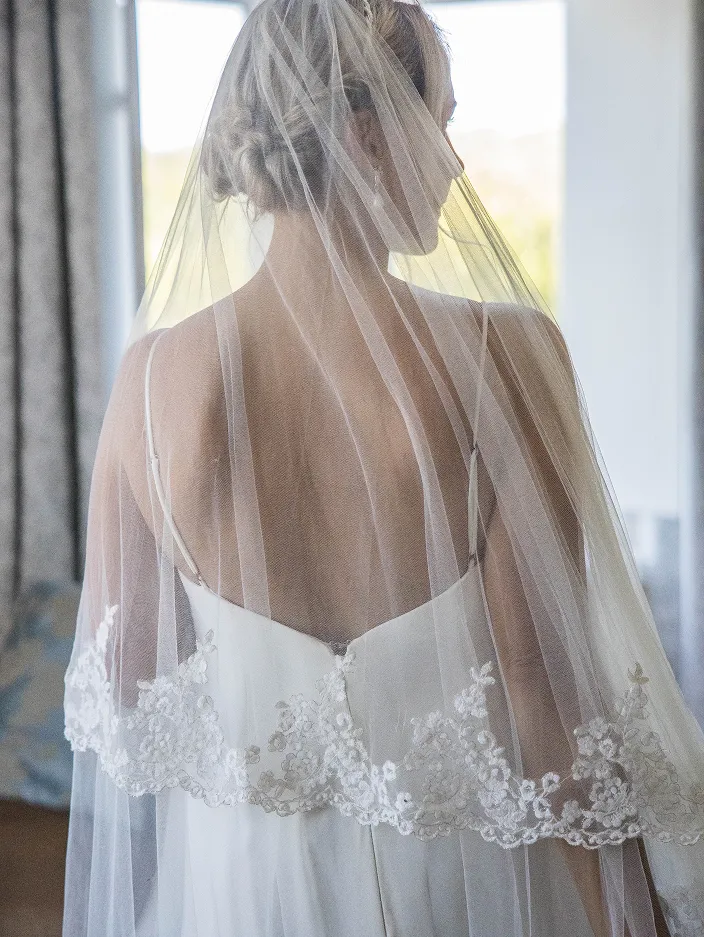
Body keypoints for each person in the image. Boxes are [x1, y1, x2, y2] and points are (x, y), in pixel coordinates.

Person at [63, 0, 704, 934]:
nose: (453, 163)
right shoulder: (505, 360)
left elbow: (125, 681)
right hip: (459, 887)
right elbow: (547, 703)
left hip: (243, 893)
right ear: (366, 135)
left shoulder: (153, 381)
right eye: (438, 125)